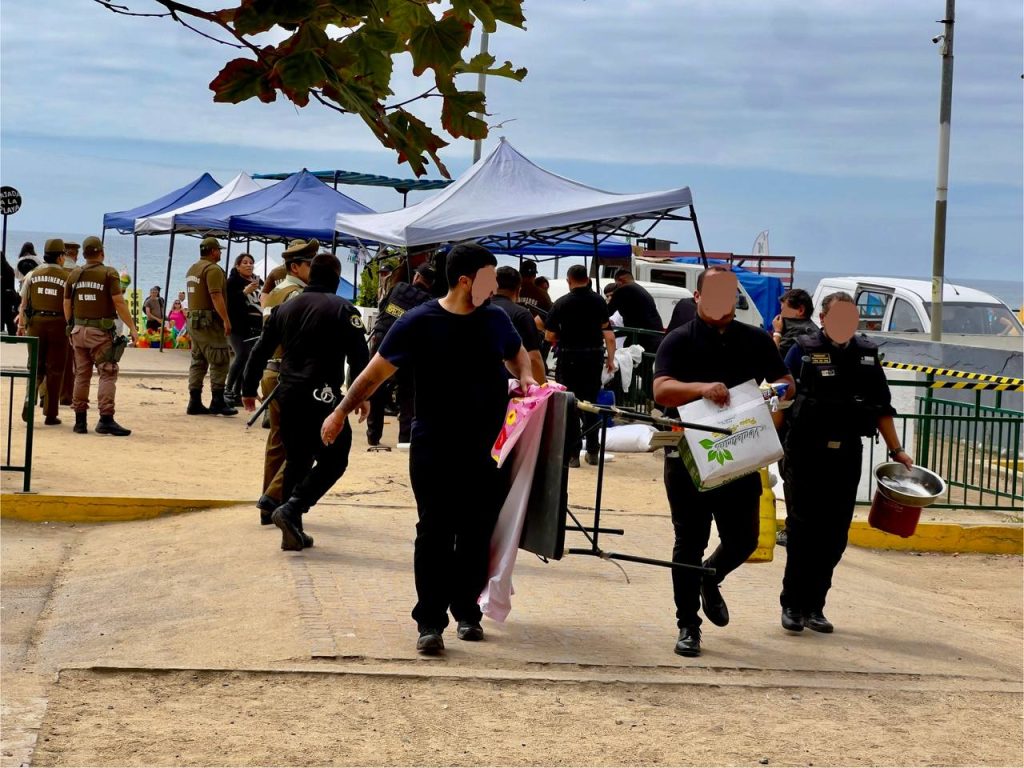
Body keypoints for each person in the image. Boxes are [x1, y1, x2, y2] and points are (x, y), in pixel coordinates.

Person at [320, 242, 535, 655]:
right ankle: (430, 623)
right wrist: (340, 411)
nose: (494, 288)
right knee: (434, 530)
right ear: (465, 280)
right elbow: (374, 371)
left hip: (486, 444)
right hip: (433, 442)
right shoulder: (419, 321)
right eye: (488, 278)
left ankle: (468, 612)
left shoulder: (494, 319)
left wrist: (524, 376)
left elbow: (517, 352)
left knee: (476, 529)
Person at [652, 266, 793, 658]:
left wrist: (774, 399)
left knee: (744, 539)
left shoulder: (755, 340)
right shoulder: (678, 340)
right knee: (689, 541)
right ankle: (688, 626)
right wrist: (701, 389)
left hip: (741, 452)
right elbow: (661, 389)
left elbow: (785, 382)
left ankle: (710, 578)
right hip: (688, 454)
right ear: (697, 298)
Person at [780, 292, 912, 634]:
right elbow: (779, 399)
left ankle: (815, 605)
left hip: (846, 454)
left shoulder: (867, 354)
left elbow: (882, 407)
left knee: (835, 533)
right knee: (803, 530)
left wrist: (897, 451)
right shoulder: (803, 350)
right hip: (804, 453)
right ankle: (793, 604)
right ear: (823, 318)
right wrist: (769, 446)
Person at [242, 252, 369, 551]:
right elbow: (360, 358)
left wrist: (247, 388)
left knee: (297, 460)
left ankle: (293, 529)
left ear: (312, 276)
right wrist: (362, 396)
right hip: (322, 395)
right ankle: (293, 509)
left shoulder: (285, 308)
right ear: (337, 278)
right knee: (335, 459)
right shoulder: (343, 309)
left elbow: (260, 350)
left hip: (288, 395)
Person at [250, 239, 314, 523]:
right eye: (310, 264)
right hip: (289, 372)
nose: (313, 269)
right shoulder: (297, 295)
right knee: (302, 442)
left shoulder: (275, 292)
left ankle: (269, 504)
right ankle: (276, 500)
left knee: (278, 441)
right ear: (296, 267)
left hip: (271, 370)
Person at [63, 236, 139, 436]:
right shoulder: (108, 273)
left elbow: (66, 303)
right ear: (101, 253)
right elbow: (119, 302)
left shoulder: (75, 274)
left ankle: (80, 421)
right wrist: (132, 326)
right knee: (107, 372)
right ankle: (106, 418)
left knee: (81, 375)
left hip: (78, 331)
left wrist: (71, 324)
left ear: (85, 254)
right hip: (100, 332)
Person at [545, 265, 616, 468]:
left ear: (569, 280)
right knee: (591, 404)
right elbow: (609, 335)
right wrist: (610, 359)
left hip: (569, 359)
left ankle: (573, 455)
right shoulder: (599, 302)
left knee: (570, 405)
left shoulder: (561, 303)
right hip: (593, 358)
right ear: (587, 279)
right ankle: (593, 451)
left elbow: (549, 335)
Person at [365, 263, 435, 449]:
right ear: (431, 283)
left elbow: (382, 307)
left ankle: (373, 436)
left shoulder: (398, 288)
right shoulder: (429, 302)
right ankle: (405, 439)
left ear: (417, 277)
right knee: (407, 394)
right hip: (408, 349)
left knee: (376, 389)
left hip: (381, 341)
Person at [770, 287, 818, 548]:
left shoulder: (795, 337)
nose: (780, 315)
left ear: (799, 310)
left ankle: (794, 530)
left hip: (792, 419)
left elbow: (773, 367)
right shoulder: (815, 333)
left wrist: (776, 334)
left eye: (784, 309)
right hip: (811, 419)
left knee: (793, 477)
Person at [17, 239, 70, 425]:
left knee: (34, 367)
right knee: (55, 369)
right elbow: (69, 304)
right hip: (58, 324)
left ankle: (28, 399)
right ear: (61, 257)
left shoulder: (32, 274)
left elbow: (23, 303)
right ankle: (50, 413)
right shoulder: (67, 277)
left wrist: (21, 326)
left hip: (35, 324)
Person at [184, 237, 237, 416]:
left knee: (198, 360)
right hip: (208, 321)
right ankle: (217, 400)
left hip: (193, 319)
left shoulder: (194, 268)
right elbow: (216, 296)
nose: (220, 253)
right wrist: (226, 319)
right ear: (213, 251)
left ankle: (195, 401)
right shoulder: (212, 269)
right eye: (219, 250)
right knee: (220, 357)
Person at [492, 266, 547, 385]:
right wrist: (542, 388)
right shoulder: (521, 314)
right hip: (511, 387)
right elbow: (533, 358)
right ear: (518, 290)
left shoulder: (475, 309)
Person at [225, 253, 264, 406]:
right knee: (242, 355)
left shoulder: (258, 281)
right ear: (237, 266)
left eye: (251, 262)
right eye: (245, 262)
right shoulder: (232, 282)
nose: (249, 265)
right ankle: (227, 390)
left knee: (249, 360)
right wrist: (244, 292)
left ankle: (237, 393)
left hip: (255, 327)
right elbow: (230, 303)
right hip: (237, 326)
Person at [608, 268, 664, 351]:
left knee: (627, 355)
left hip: (642, 339)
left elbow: (606, 312)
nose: (616, 287)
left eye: (616, 284)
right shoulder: (641, 291)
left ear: (620, 281)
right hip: (654, 336)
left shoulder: (623, 289)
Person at [771, 288, 817, 357]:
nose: (781, 315)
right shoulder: (811, 328)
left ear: (801, 310)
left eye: (784, 310)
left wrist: (777, 332)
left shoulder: (797, 330)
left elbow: (771, 358)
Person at [1, 254, 19, 335]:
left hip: (4, 296)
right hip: (8, 297)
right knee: (9, 320)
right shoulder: (9, 269)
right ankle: (12, 338)